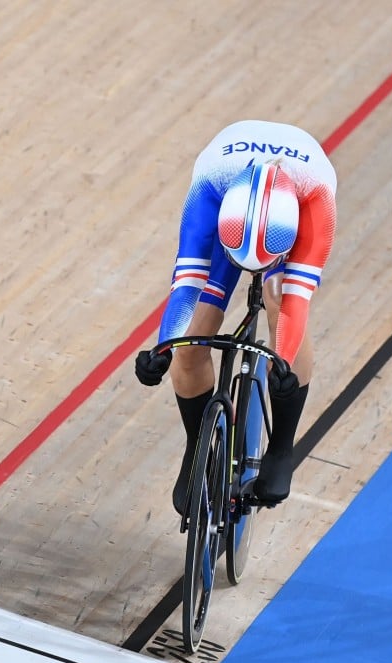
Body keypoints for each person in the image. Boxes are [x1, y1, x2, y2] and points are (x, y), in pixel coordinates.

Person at [135, 120, 337, 511]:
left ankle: (280, 450)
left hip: (290, 211)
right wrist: (162, 349)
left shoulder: (316, 199)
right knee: (194, 335)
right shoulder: (209, 189)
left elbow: (295, 303)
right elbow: (187, 288)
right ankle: (198, 446)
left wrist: (285, 364)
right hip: (232, 213)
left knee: (281, 305)